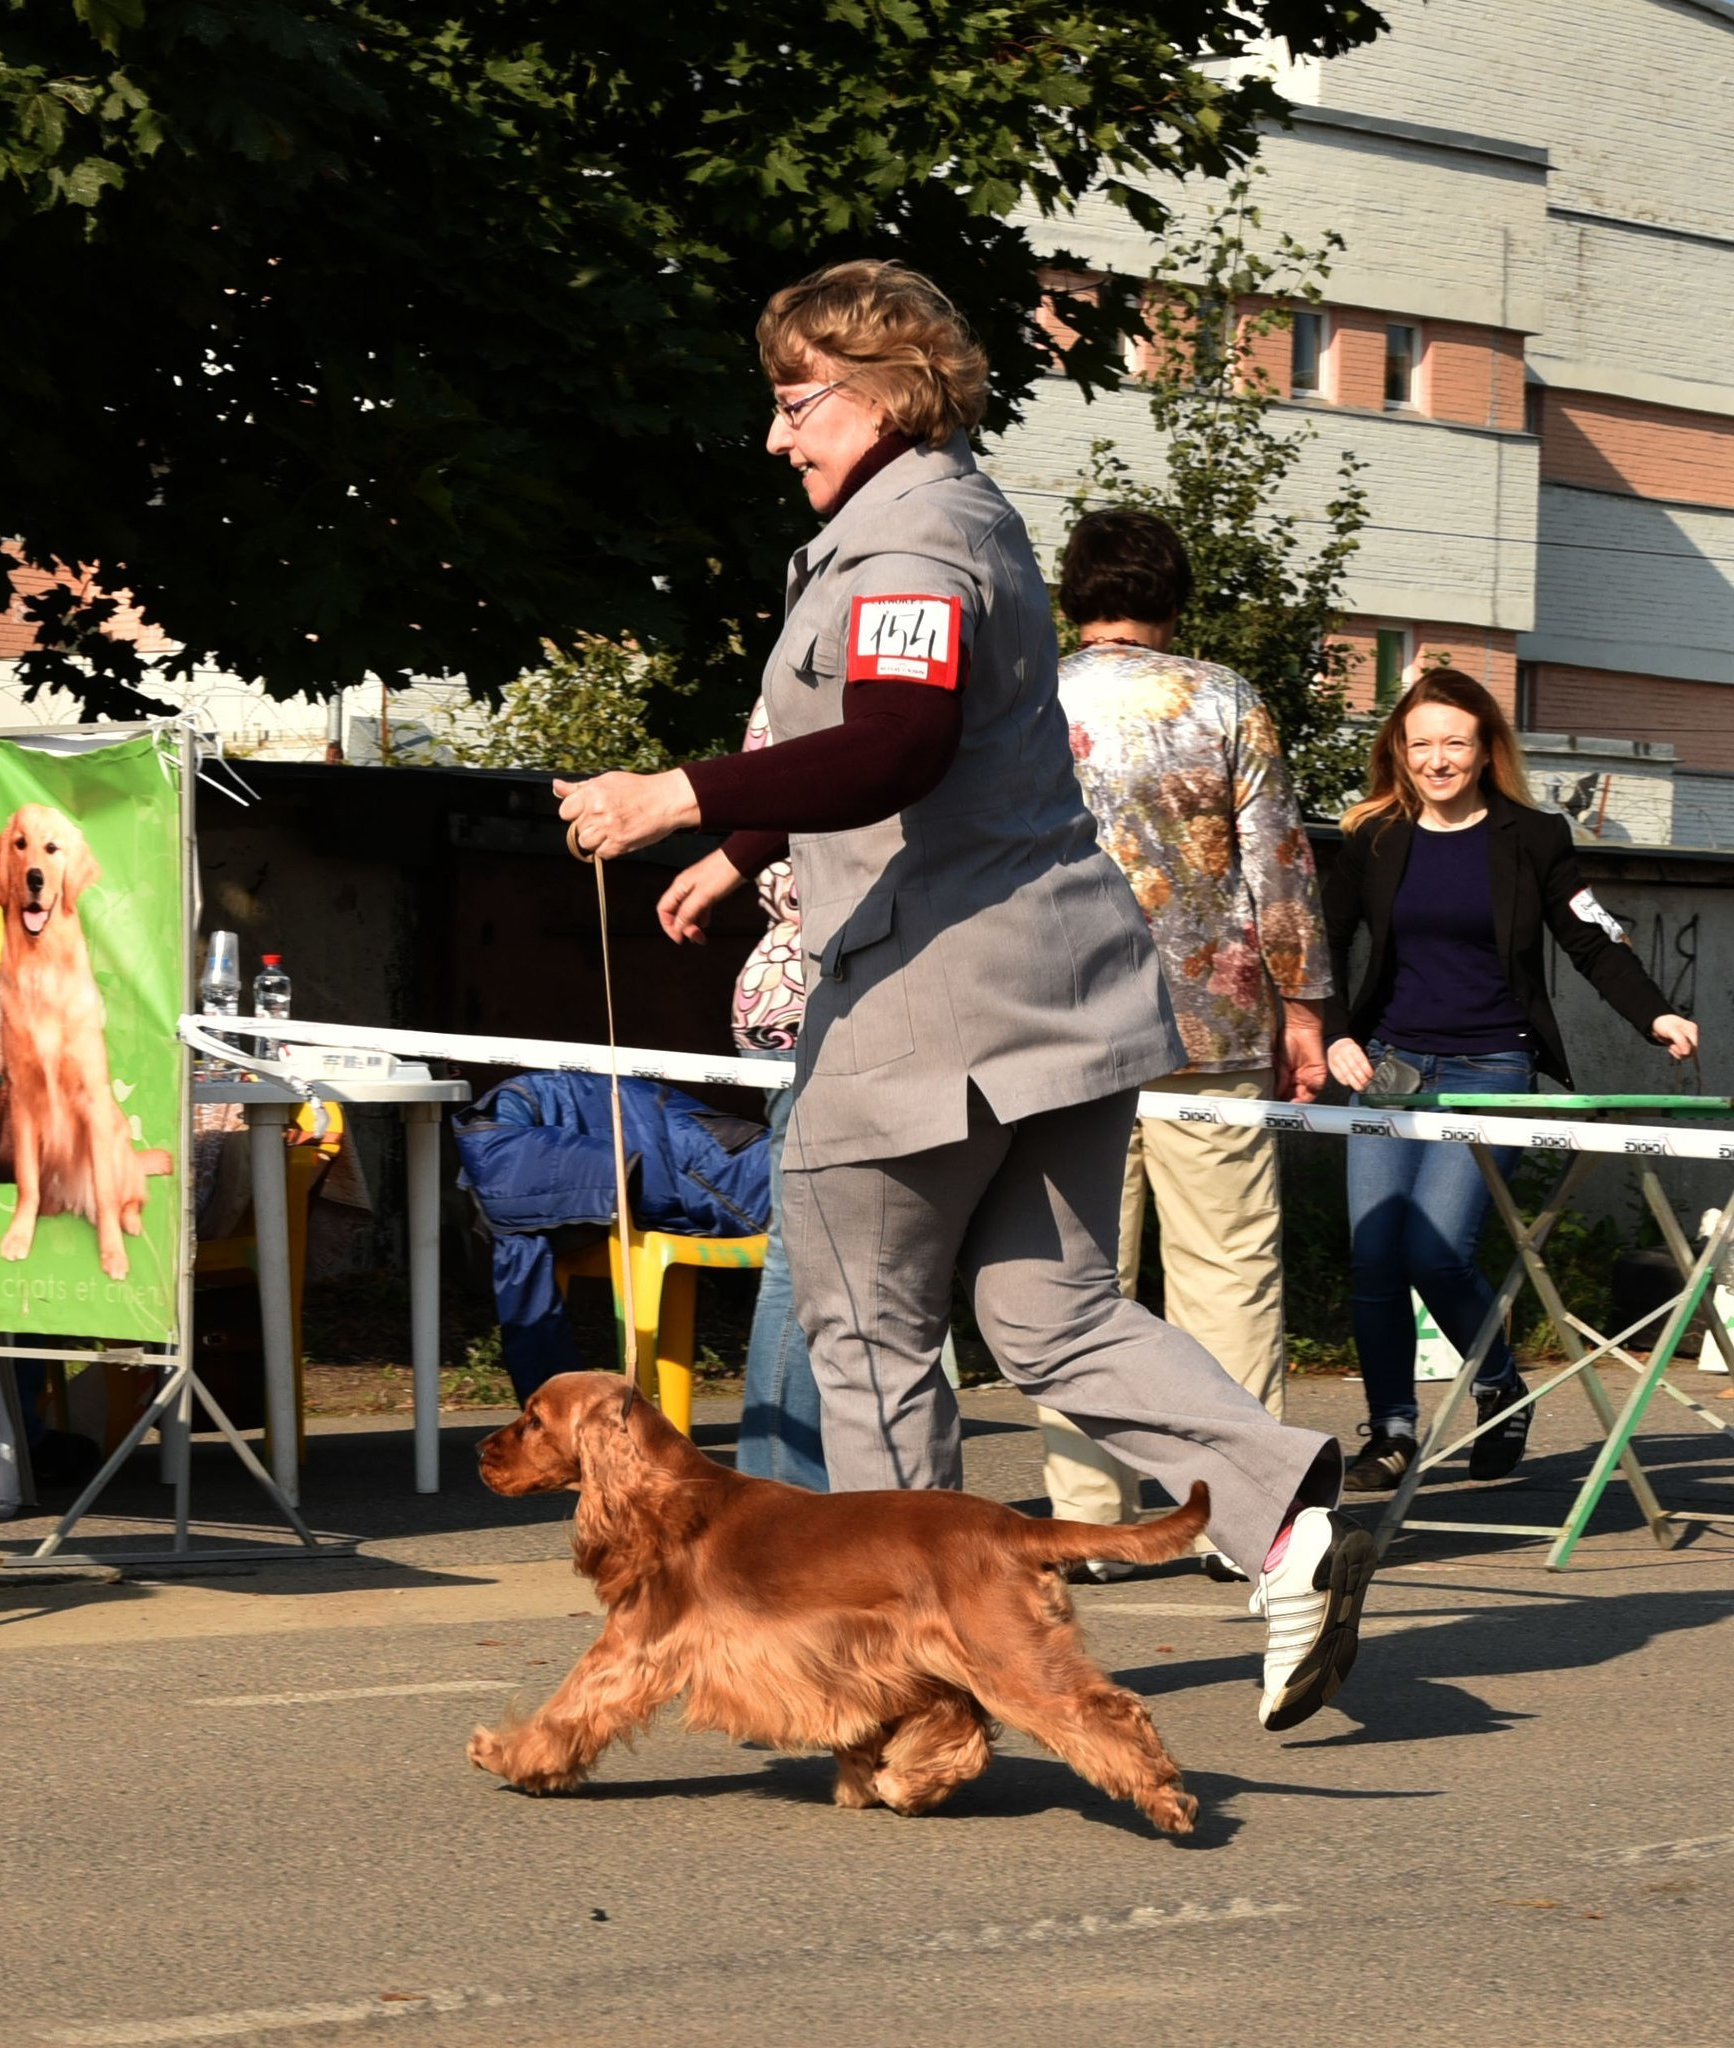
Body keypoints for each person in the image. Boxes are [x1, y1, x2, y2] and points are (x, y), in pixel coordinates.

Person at [555, 258, 1373, 1733]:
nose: (777, 435)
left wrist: (676, 795)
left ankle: (915, 1690)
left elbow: (898, 744)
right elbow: (895, 746)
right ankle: (1294, 1513)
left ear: (883, 394)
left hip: (934, 1015)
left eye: (797, 402)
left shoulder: (910, 538)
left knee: (868, 1338)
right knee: (1050, 1312)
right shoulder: (946, 515)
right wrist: (744, 847)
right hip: (1059, 999)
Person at [1035, 509, 1333, 1580]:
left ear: (1071, 594)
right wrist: (1302, 1006)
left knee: (1072, 1280)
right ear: (1174, 593)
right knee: (1226, 1270)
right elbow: (1277, 864)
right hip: (1210, 1018)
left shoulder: (1028, 693)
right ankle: (1244, 1516)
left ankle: (1086, 1521)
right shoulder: (1224, 699)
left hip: (1055, 1023)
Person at [1321, 668, 1702, 1490]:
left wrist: (1656, 1014)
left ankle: (1497, 1385)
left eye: (1454, 742)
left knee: (1434, 1247)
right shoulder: (1374, 837)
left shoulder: (1533, 837)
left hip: (1493, 1066)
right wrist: (1334, 1034)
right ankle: (1391, 1430)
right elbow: (1322, 941)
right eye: (1419, 744)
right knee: (1376, 1254)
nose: (1436, 759)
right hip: (1389, 1064)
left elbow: (1594, 939)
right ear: (1398, 750)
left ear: (1487, 747)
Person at [730, 696, 829, 1490]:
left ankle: (784, 1490)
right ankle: (782, 1492)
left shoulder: (783, 689)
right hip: (825, 997)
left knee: (809, 1257)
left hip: (789, 991)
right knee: (806, 1259)